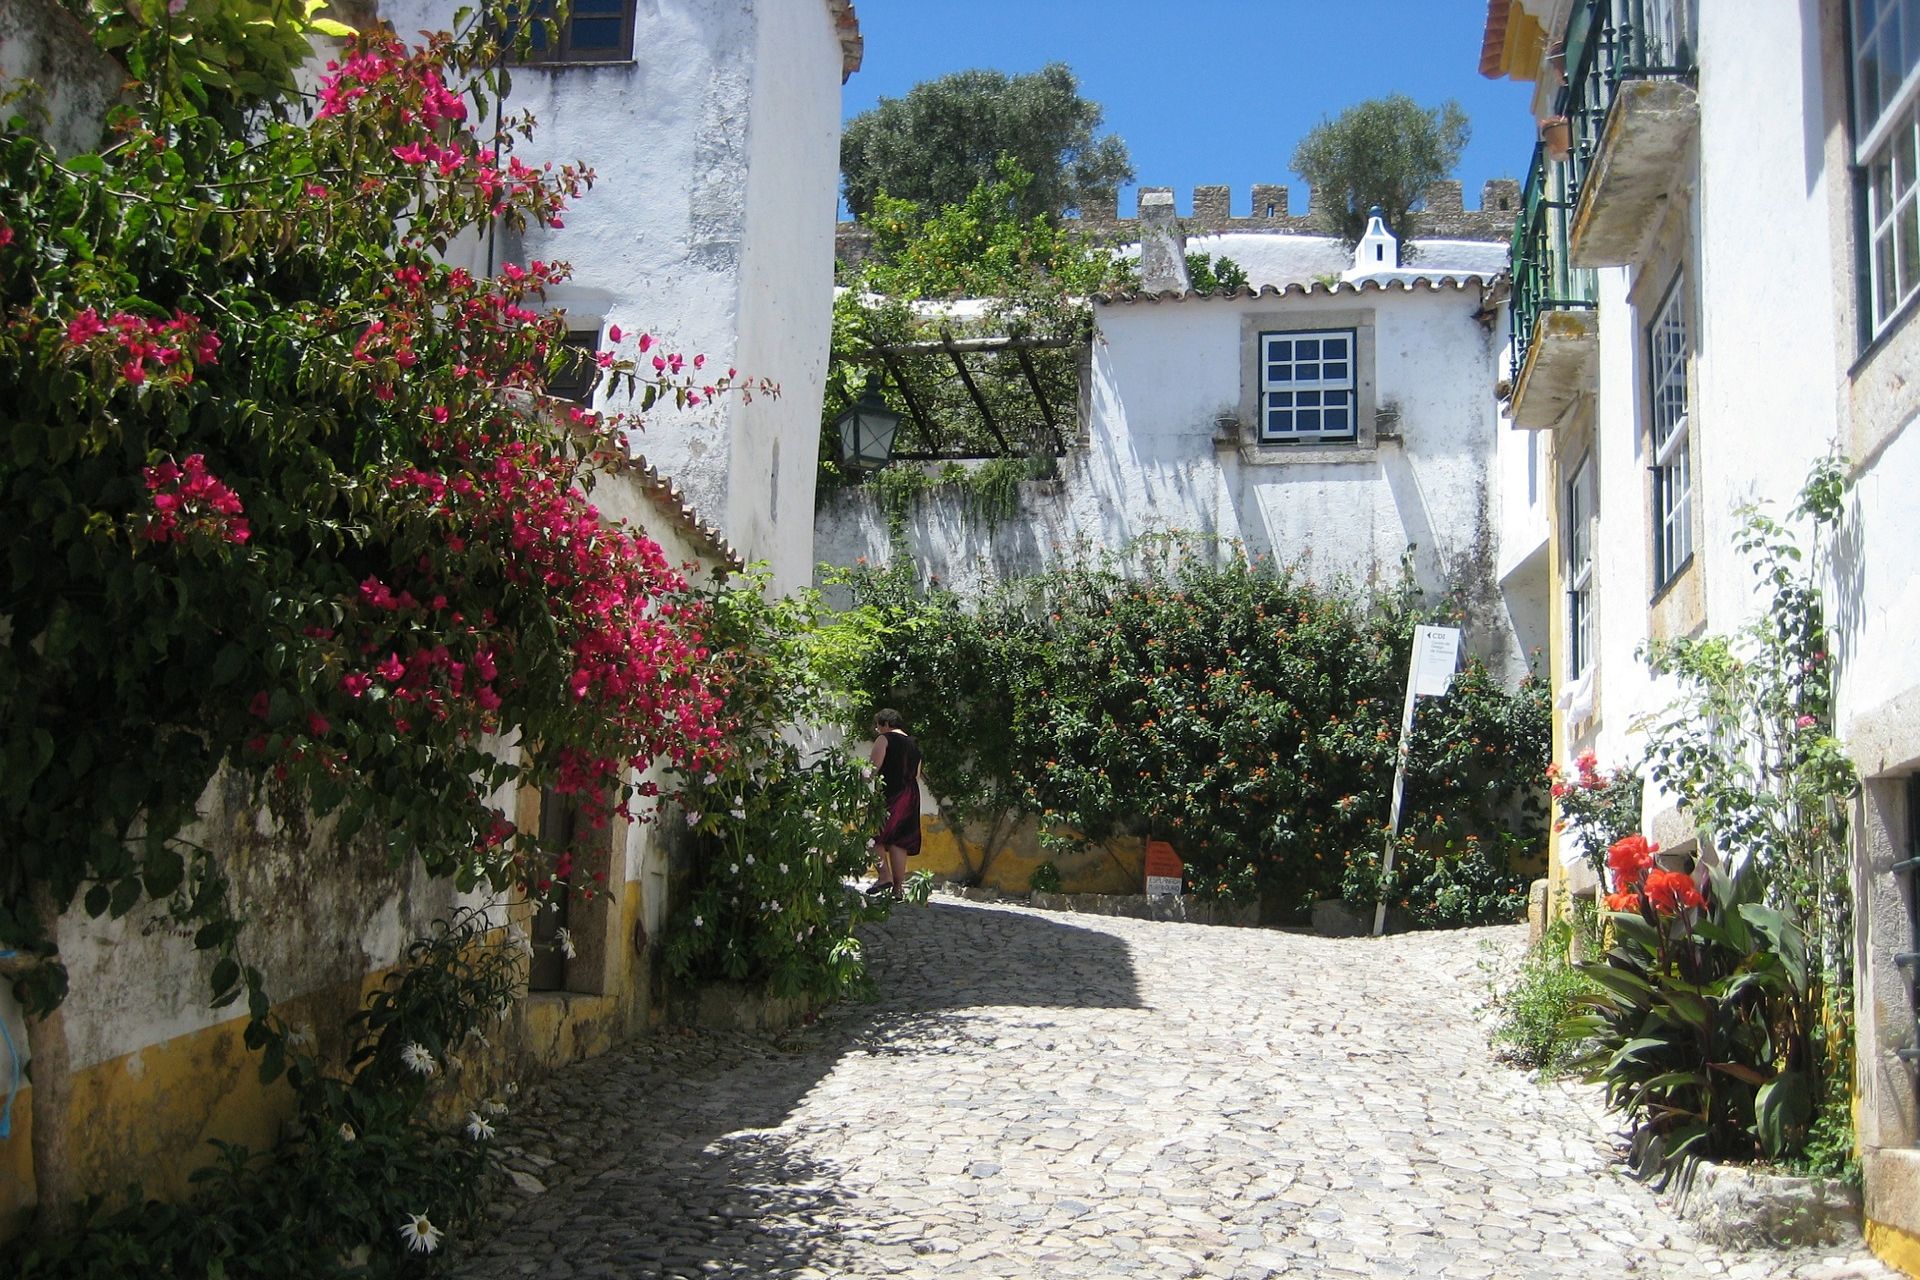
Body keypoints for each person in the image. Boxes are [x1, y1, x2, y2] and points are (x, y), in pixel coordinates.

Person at [866, 708, 923, 900]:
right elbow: (916, 774)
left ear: (886, 724)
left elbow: (871, 769)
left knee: (872, 836)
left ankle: (884, 876)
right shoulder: (914, 744)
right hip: (911, 795)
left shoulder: (885, 739)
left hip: (890, 793)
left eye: (878, 726)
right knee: (899, 841)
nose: (878, 730)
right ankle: (898, 889)